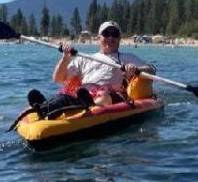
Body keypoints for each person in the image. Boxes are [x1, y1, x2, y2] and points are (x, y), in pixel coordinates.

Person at [25, 21, 156, 116]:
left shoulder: (127, 57)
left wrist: (137, 70)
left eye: (114, 34)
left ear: (119, 38)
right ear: (99, 38)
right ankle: (44, 107)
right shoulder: (84, 58)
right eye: (106, 33)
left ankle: (86, 105)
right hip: (85, 94)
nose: (110, 37)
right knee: (67, 96)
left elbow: (152, 70)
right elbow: (58, 78)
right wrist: (65, 58)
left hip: (110, 95)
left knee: (103, 97)